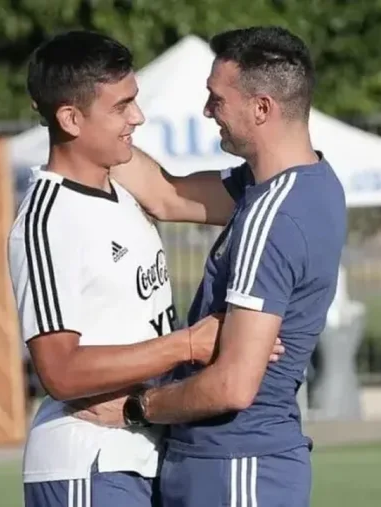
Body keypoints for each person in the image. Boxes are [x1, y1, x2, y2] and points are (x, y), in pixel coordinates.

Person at [6, 30, 284, 507]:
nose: (138, 117)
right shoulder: (46, 220)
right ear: (70, 118)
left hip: (139, 452)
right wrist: (189, 344)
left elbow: (178, 195)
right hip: (88, 462)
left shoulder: (121, 181)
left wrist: (296, 172)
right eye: (121, 107)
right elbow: (61, 372)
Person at [80, 26, 348, 507]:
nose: (207, 112)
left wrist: (136, 408)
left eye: (217, 99)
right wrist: (91, 124)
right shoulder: (295, 185)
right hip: (222, 463)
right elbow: (166, 195)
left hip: (237, 467)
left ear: (261, 108)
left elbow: (233, 384)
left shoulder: (275, 217)